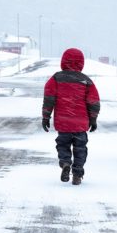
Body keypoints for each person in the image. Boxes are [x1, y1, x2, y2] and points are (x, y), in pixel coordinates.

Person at [42, 48, 100, 185]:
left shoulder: (56, 78)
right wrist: (93, 119)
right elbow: (94, 102)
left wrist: (46, 117)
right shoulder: (86, 81)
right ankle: (77, 173)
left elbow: (49, 99)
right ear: (81, 63)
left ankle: (66, 163)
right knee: (80, 148)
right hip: (80, 123)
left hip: (63, 122)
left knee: (63, 145)